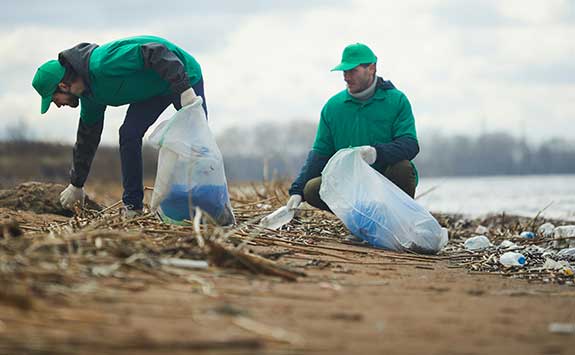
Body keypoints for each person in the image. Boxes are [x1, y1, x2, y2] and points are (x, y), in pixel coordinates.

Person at [32, 35, 207, 217]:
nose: (58, 105)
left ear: (63, 86)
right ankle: (133, 207)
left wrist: (184, 88)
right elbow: (86, 139)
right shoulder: (90, 96)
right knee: (129, 134)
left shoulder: (103, 63)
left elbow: (155, 52)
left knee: (197, 139)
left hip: (181, 74)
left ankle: (207, 204)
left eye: (54, 100)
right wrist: (76, 184)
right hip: (152, 90)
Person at [286, 43, 419, 212]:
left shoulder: (396, 100)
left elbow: (410, 145)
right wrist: (297, 191)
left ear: (371, 68)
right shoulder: (333, 107)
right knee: (312, 188)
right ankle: (358, 220)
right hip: (352, 185)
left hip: (387, 181)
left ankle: (399, 218)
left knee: (403, 168)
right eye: (344, 71)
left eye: (352, 71)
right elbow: (320, 154)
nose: (346, 77)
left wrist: (375, 153)